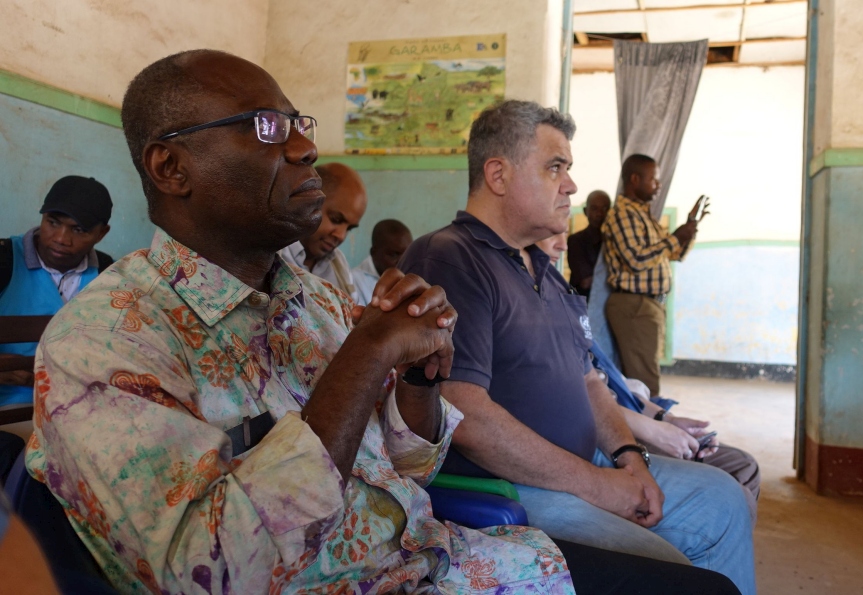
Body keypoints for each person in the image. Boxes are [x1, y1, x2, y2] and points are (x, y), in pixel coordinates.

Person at [26, 50, 739, 595]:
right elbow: (210, 571)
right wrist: (364, 358)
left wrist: (421, 385)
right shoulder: (106, 338)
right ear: (171, 166)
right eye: (267, 128)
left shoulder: (310, 297)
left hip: (440, 561)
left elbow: (407, 463)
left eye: (298, 123)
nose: (305, 147)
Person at [400, 100, 755, 594]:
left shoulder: (542, 270)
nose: (569, 184)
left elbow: (589, 380)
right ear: (498, 175)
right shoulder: (452, 257)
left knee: (725, 496)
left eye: (568, 169)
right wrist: (598, 485)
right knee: (672, 572)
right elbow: (462, 412)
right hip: (513, 487)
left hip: (586, 466)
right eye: (555, 168)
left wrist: (630, 458)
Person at [538, 233, 760, 524]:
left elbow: (605, 383)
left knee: (743, 466)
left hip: (624, 421)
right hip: (607, 436)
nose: (562, 244)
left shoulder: (561, 296)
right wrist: (649, 435)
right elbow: (578, 400)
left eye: (565, 233)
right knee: (728, 496)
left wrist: (664, 419)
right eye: (551, 233)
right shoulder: (537, 314)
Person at [0, 176, 113, 406]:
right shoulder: (4, 259)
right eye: (53, 222)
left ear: (102, 234)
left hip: (79, 410)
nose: (61, 239)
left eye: (79, 230)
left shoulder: (108, 274)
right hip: (9, 408)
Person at [602, 154, 709, 396]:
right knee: (644, 381)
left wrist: (690, 227)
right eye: (654, 180)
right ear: (635, 179)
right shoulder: (623, 214)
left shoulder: (642, 213)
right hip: (635, 304)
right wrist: (675, 236)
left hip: (647, 305)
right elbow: (636, 260)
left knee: (646, 376)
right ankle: (647, 432)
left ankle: (647, 429)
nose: (658, 185)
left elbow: (674, 253)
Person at [279, 162, 367, 304]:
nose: (341, 235)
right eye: (336, 219)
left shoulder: (338, 264)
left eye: (349, 228)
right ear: (309, 201)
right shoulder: (274, 256)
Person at [352, 219, 413, 304]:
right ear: (374, 252)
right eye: (394, 254)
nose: (402, 261)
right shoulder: (354, 281)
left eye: (407, 254)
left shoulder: (410, 276)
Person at [567, 190, 610, 297]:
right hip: (584, 306)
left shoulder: (614, 241)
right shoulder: (576, 241)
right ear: (586, 211)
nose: (600, 214)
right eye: (594, 208)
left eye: (605, 209)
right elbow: (585, 282)